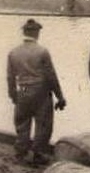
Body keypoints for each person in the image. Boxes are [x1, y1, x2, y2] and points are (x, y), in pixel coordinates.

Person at [6, 19, 66, 165]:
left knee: (22, 123)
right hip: (41, 92)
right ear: (37, 33)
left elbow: (10, 77)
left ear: (24, 33)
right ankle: (38, 155)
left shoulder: (13, 52)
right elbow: (51, 76)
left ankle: (20, 153)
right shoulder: (42, 51)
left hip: (23, 91)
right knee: (43, 124)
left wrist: (14, 95)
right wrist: (60, 97)